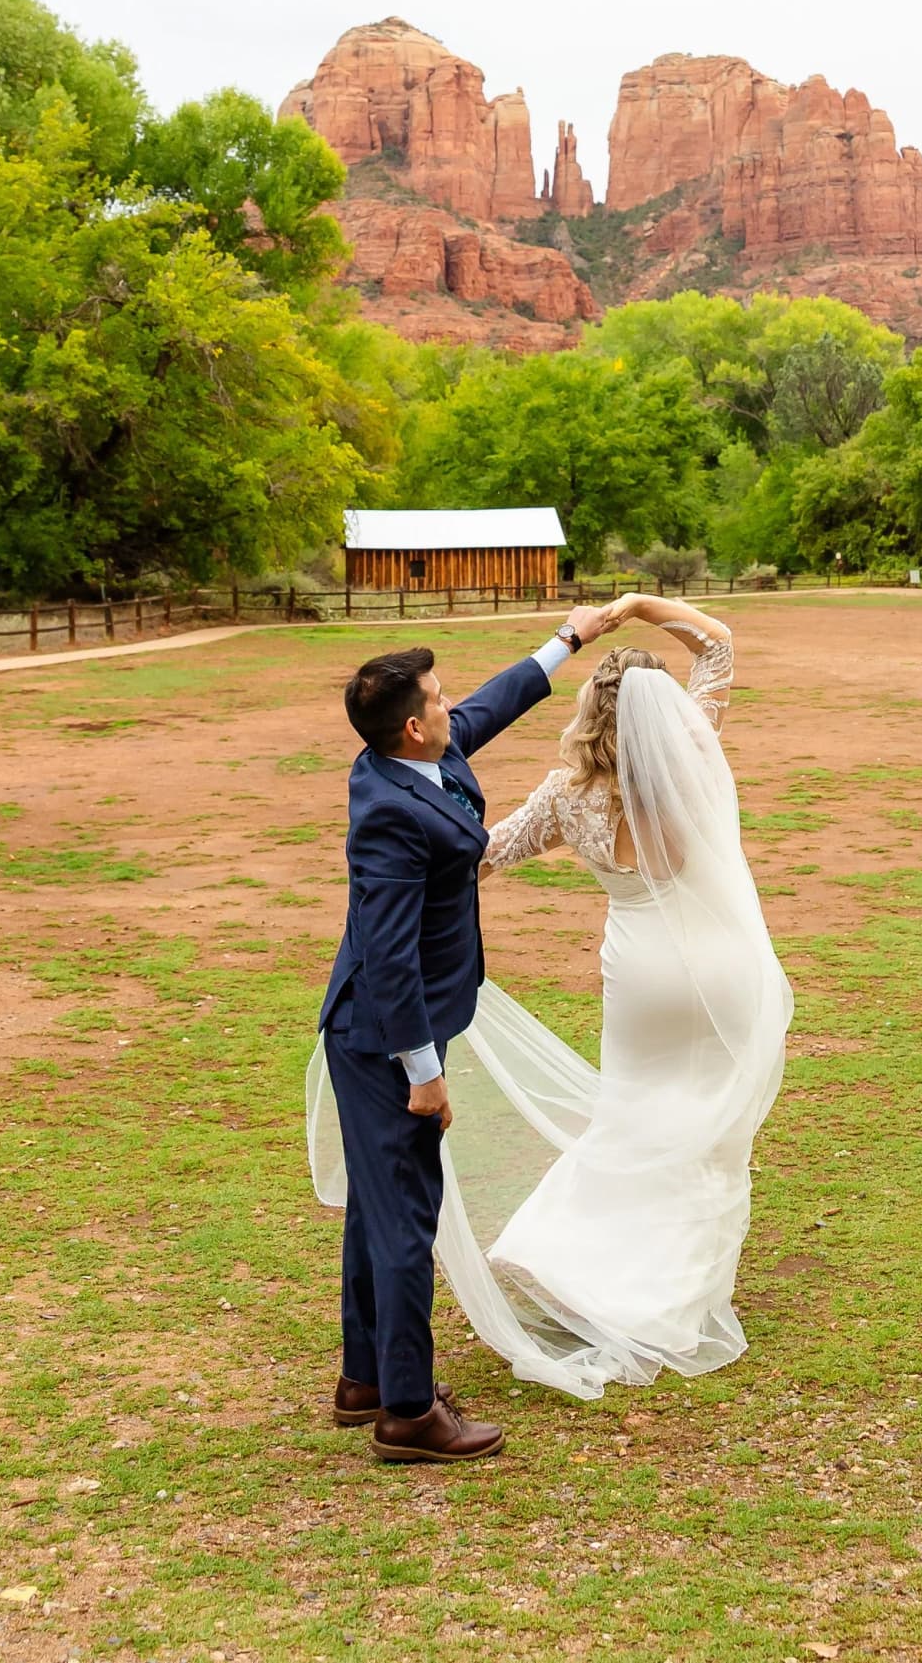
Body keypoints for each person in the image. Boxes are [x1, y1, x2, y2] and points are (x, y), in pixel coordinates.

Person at [435, 591, 793, 1399]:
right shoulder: (694, 752)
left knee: (631, 1114)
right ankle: (677, 1291)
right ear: (662, 711)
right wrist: (636, 604)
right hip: (716, 967)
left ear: (591, 710)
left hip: (638, 978)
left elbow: (485, 857)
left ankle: (585, 1264)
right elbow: (720, 645)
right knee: (705, 1125)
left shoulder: (569, 794)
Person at [309, 603, 610, 1465]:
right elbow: (389, 955)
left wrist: (571, 638)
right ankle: (407, 1412)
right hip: (382, 1037)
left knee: (378, 1204)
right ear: (411, 725)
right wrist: (424, 1070)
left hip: (389, 1030)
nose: (453, 706)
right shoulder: (389, 817)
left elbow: (488, 706)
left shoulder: (415, 759)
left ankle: (365, 1376)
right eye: (438, 700)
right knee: (409, 1216)